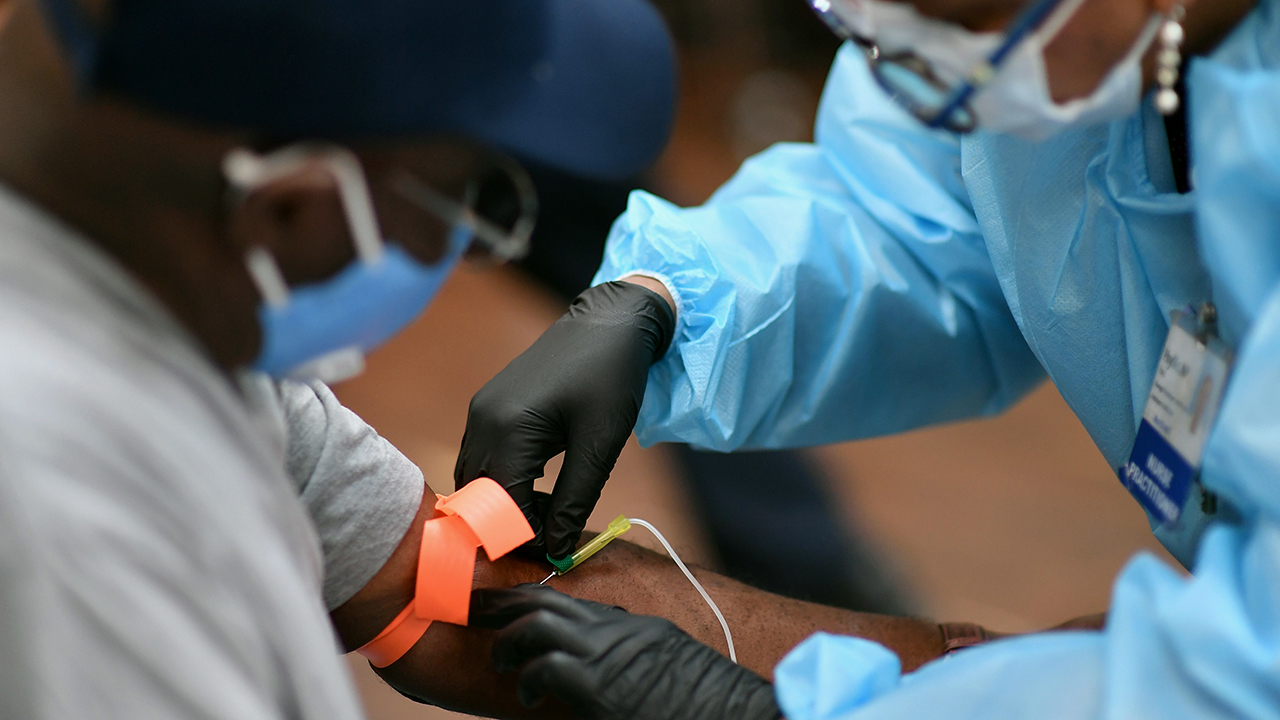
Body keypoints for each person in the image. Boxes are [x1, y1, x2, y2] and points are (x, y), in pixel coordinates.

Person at [458, 0, 1280, 716]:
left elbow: (1247, 673)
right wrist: (672, 300)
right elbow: (915, 210)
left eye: (962, 23)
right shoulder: (1053, 45)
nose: (927, 61)